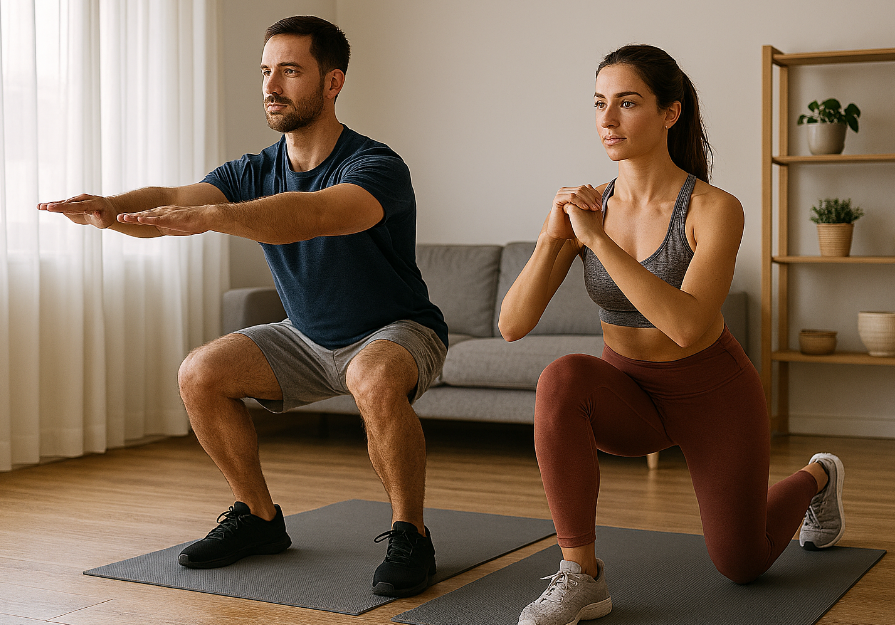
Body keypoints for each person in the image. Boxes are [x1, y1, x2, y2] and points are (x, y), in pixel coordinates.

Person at [38, 15, 448, 599]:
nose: (270, 86)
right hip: (306, 338)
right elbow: (177, 199)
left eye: (289, 71)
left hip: (396, 330)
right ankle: (258, 517)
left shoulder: (375, 165)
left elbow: (311, 216)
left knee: (374, 376)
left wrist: (217, 217)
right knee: (200, 373)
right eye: (265, 71)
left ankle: (410, 533)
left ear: (332, 83)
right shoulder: (251, 170)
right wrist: (111, 208)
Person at [498, 44, 845, 625]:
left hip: (712, 393)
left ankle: (818, 476)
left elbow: (686, 326)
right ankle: (581, 577)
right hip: (629, 391)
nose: (608, 120)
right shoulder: (586, 208)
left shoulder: (714, 208)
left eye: (627, 103)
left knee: (743, 563)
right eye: (599, 104)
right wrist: (552, 235)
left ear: (670, 113)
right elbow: (512, 325)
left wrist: (598, 239)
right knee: (562, 377)